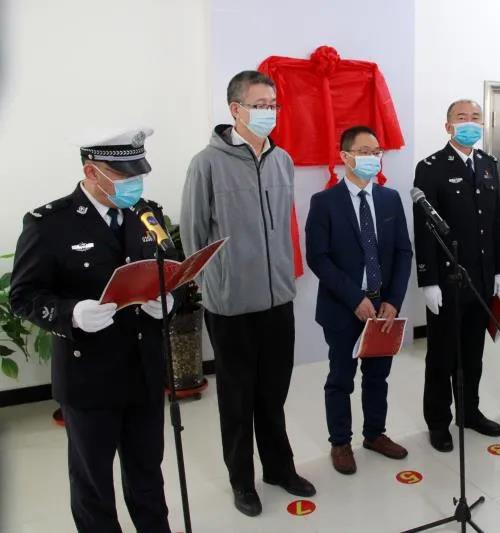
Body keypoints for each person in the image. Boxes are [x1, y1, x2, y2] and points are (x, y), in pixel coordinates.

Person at [10, 129, 172, 532]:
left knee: (148, 473)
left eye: (138, 174)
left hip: (144, 370)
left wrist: (170, 300)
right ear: (91, 172)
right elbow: (24, 296)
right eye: (123, 176)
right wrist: (72, 314)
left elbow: (172, 268)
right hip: (89, 377)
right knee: (93, 483)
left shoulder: (146, 214)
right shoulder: (50, 224)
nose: (134, 184)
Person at [180, 70, 314, 517]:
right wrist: (214, 286)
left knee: (273, 394)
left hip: (278, 301)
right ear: (235, 109)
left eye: (273, 105)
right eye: (260, 105)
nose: (269, 112)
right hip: (231, 305)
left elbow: (283, 226)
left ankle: (279, 468)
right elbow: (193, 234)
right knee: (237, 400)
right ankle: (242, 481)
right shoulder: (206, 163)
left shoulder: (282, 159)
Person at [306, 126, 413, 475]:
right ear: (345, 156)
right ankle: (340, 442)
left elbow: (403, 252)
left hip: (383, 307)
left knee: (378, 376)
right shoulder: (324, 202)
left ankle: (374, 434)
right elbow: (318, 258)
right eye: (364, 151)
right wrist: (354, 298)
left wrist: (393, 300)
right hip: (343, 308)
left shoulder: (390, 199)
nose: (372, 157)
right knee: (341, 377)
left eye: (376, 151)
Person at [413, 99, 500, 452]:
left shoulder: (488, 165)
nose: (470, 123)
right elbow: (424, 228)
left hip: (480, 279)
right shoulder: (431, 167)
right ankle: (438, 421)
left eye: (475, 117)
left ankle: (469, 412)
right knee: (442, 355)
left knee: (473, 353)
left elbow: (495, 223)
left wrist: (499, 269)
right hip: (447, 280)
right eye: (461, 117)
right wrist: (428, 280)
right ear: (448, 125)